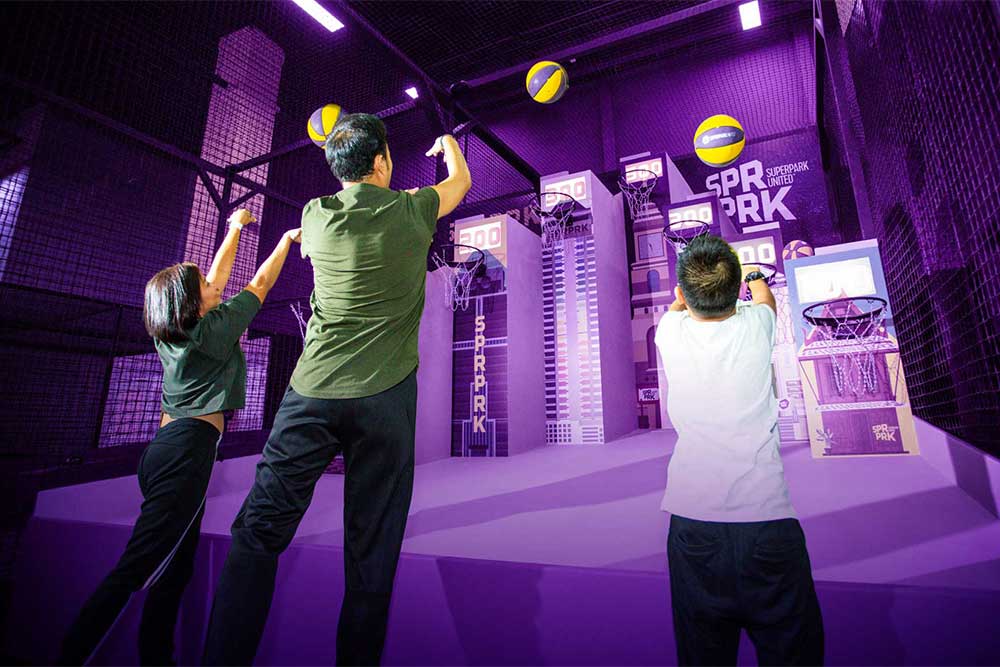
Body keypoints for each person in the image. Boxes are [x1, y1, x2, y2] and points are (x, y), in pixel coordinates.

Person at [201, 113, 472, 666]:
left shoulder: (315, 215)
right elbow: (461, 185)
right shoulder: (412, 209)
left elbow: (313, 242)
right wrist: (449, 148)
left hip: (312, 392)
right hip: (386, 397)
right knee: (371, 556)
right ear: (381, 163)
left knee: (257, 534)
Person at [57, 209, 301, 665]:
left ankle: (157, 657)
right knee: (139, 567)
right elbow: (260, 285)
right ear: (196, 304)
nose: (215, 284)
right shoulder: (213, 331)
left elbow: (213, 277)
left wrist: (233, 230)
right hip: (185, 453)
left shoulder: (175, 329)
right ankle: (72, 655)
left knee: (174, 569)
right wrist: (285, 241)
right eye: (207, 288)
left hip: (167, 451)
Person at [655, 234, 824, 666]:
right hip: (768, 526)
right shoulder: (758, 324)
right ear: (738, 293)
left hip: (694, 531)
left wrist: (688, 294)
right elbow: (763, 293)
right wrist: (751, 273)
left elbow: (679, 306)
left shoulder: (669, 332)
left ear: (681, 294)